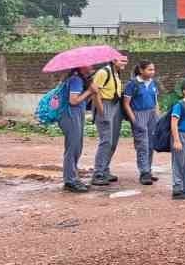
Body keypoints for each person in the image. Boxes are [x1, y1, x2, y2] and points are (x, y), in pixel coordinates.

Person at [90, 54, 129, 185]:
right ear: (113, 60)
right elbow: (95, 93)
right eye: (122, 60)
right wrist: (101, 112)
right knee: (106, 141)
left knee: (113, 141)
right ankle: (98, 173)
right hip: (104, 105)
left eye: (126, 61)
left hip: (114, 105)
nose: (124, 63)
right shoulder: (103, 72)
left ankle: (104, 169)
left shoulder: (116, 73)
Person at [59, 66, 97, 192]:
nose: (93, 66)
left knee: (77, 147)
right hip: (70, 115)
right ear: (82, 67)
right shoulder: (76, 80)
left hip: (75, 115)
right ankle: (70, 180)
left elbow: (82, 102)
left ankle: (72, 178)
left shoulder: (79, 79)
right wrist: (89, 91)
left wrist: (90, 93)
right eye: (89, 64)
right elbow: (73, 101)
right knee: (73, 147)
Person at [123, 61, 159, 186]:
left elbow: (155, 101)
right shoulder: (133, 84)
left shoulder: (153, 83)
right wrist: (133, 119)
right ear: (141, 70)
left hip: (151, 114)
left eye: (153, 69)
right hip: (139, 114)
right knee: (142, 144)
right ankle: (143, 172)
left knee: (150, 144)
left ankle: (148, 170)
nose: (152, 72)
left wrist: (157, 116)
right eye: (149, 70)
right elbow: (126, 103)